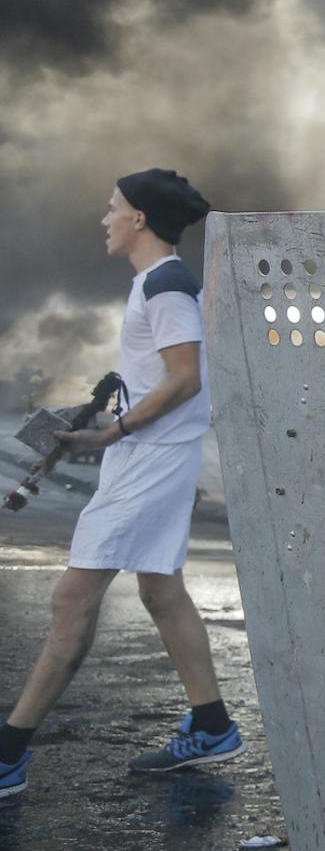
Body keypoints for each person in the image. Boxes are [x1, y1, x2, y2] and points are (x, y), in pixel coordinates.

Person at [1, 171, 242, 800]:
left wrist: (115, 431)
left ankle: (8, 754)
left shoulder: (164, 284)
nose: (104, 219)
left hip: (147, 462)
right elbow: (170, 374)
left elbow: (185, 378)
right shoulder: (157, 283)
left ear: (139, 219)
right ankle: (212, 724)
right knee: (162, 593)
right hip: (154, 455)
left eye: (113, 209)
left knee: (70, 600)